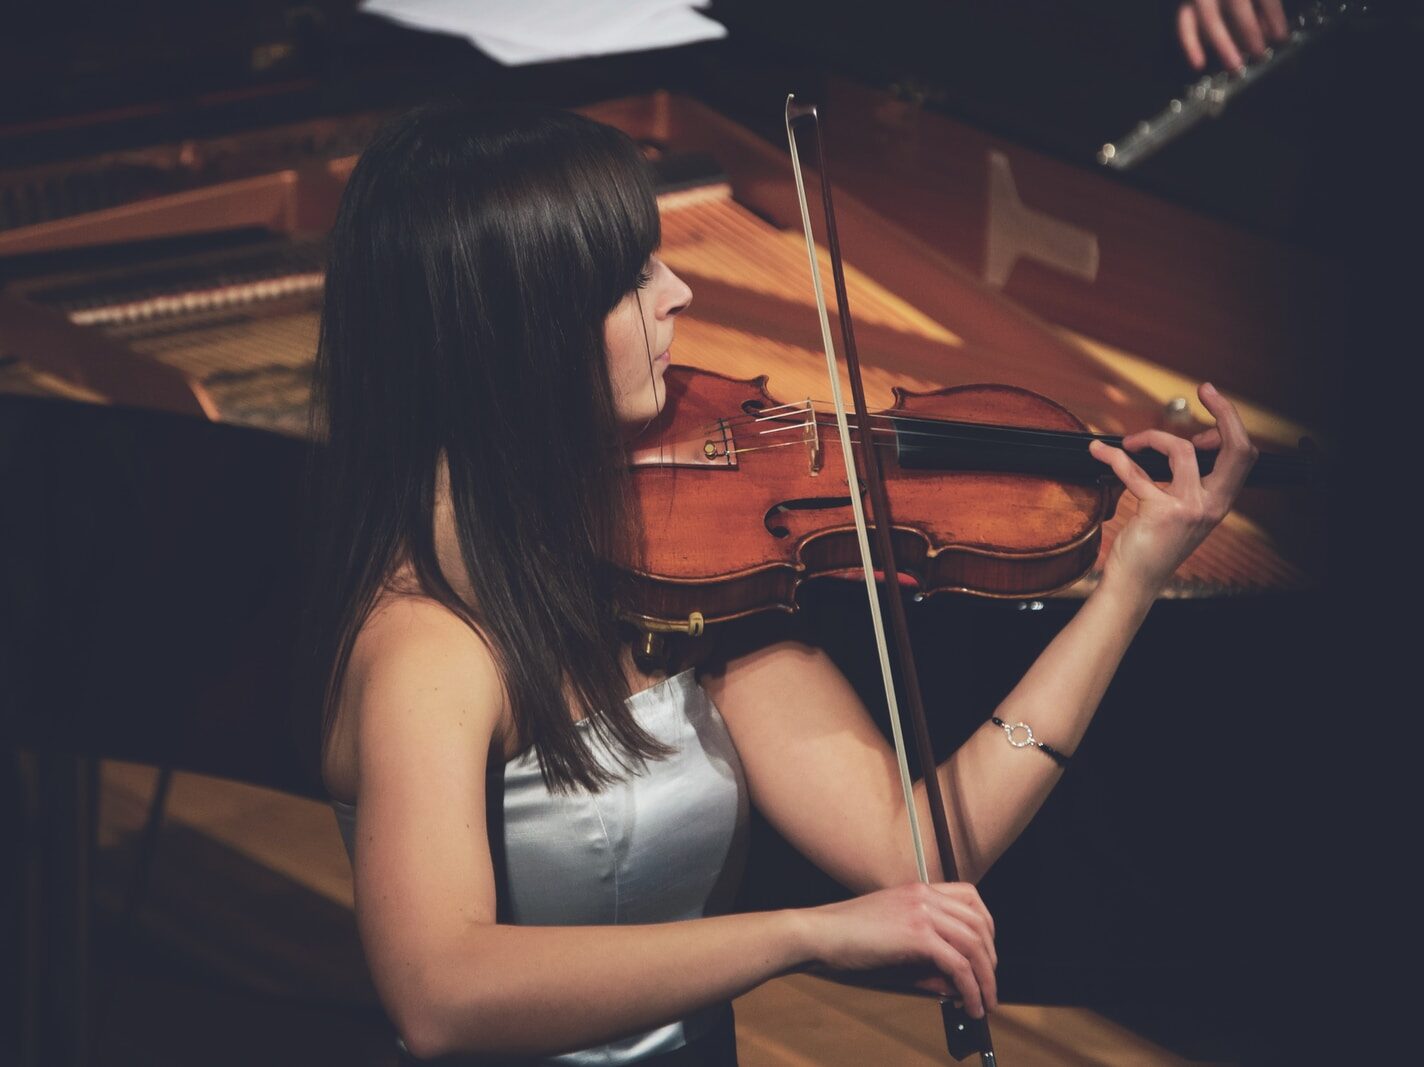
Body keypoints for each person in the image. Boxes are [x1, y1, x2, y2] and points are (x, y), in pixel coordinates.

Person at [302, 100, 1257, 1065]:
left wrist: (1129, 587)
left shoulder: (682, 564)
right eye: (632, 278)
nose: (679, 292)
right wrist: (801, 935)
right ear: (518, 335)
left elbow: (913, 844)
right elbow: (440, 994)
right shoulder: (429, 648)